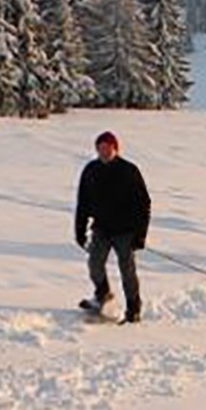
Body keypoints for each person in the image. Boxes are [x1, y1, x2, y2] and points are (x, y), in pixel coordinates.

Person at [74, 130, 151, 323]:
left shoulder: (128, 170)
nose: (104, 151)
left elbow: (144, 203)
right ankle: (102, 295)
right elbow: (83, 203)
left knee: (127, 270)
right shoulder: (91, 170)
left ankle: (133, 308)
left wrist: (140, 234)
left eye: (108, 147)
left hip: (125, 231)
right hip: (101, 228)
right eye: (100, 148)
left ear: (115, 149)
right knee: (94, 264)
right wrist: (80, 230)